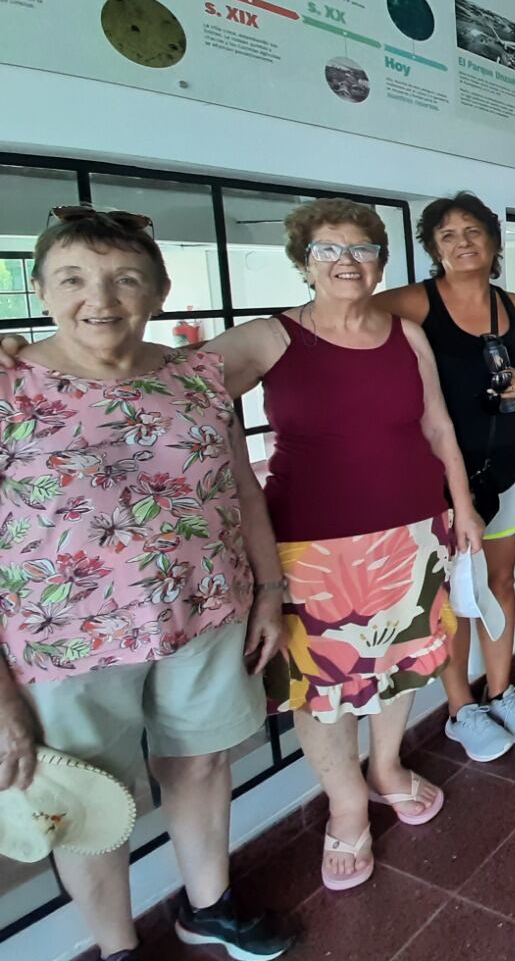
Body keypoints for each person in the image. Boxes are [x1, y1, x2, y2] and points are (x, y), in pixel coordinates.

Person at [0, 207, 296, 960]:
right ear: (39, 289)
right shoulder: (9, 388)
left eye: (125, 278)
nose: (99, 298)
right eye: (73, 278)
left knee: (200, 764)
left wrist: (268, 591)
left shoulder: (195, 379)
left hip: (206, 617)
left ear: (159, 292)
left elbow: (241, 489)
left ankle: (208, 906)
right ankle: (117, 947)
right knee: (88, 804)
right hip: (63, 647)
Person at [210, 198, 483, 889]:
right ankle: (348, 807)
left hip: (415, 534)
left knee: (401, 666)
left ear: (380, 261)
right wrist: (32, 356)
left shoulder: (406, 335)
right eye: (328, 250)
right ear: (304, 263)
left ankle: (387, 766)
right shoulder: (272, 338)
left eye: (360, 249)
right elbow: (172, 384)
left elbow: (440, 430)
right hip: (311, 550)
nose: (346, 262)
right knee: (322, 688)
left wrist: (464, 509)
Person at [373, 192, 515, 764]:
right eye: (446, 234)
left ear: (494, 243)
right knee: (451, 593)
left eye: (472, 231)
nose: (461, 242)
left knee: (500, 581)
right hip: (440, 475)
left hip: (508, 464)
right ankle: (459, 710)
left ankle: (501, 691)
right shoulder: (413, 303)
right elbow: (344, 320)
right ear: (431, 248)